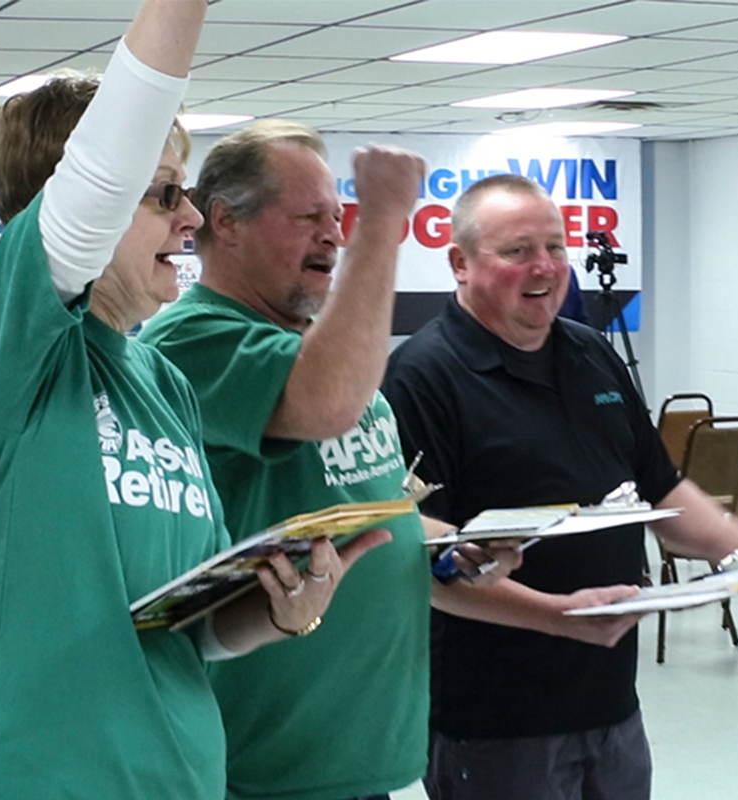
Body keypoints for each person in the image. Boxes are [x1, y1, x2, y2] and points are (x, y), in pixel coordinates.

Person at [0, 3, 376, 797]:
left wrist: (282, 610)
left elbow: (185, 627)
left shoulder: (162, 380)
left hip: (176, 777)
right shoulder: (1, 349)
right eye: (164, 195)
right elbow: (98, 172)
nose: (193, 217)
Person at [381, 173, 738, 800]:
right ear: (459, 263)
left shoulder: (590, 352)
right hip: (494, 721)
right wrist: (557, 617)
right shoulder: (422, 377)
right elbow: (423, 564)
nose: (546, 267)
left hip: (610, 703)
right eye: (518, 251)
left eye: (557, 247)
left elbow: (660, 493)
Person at [143, 120, 515, 800]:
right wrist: (384, 220)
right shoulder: (191, 338)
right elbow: (324, 406)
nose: (335, 235)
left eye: (340, 216)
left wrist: (447, 545)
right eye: (310, 217)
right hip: (263, 768)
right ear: (225, 222)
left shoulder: (326, 348)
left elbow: (369, 509)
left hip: (357, 755)